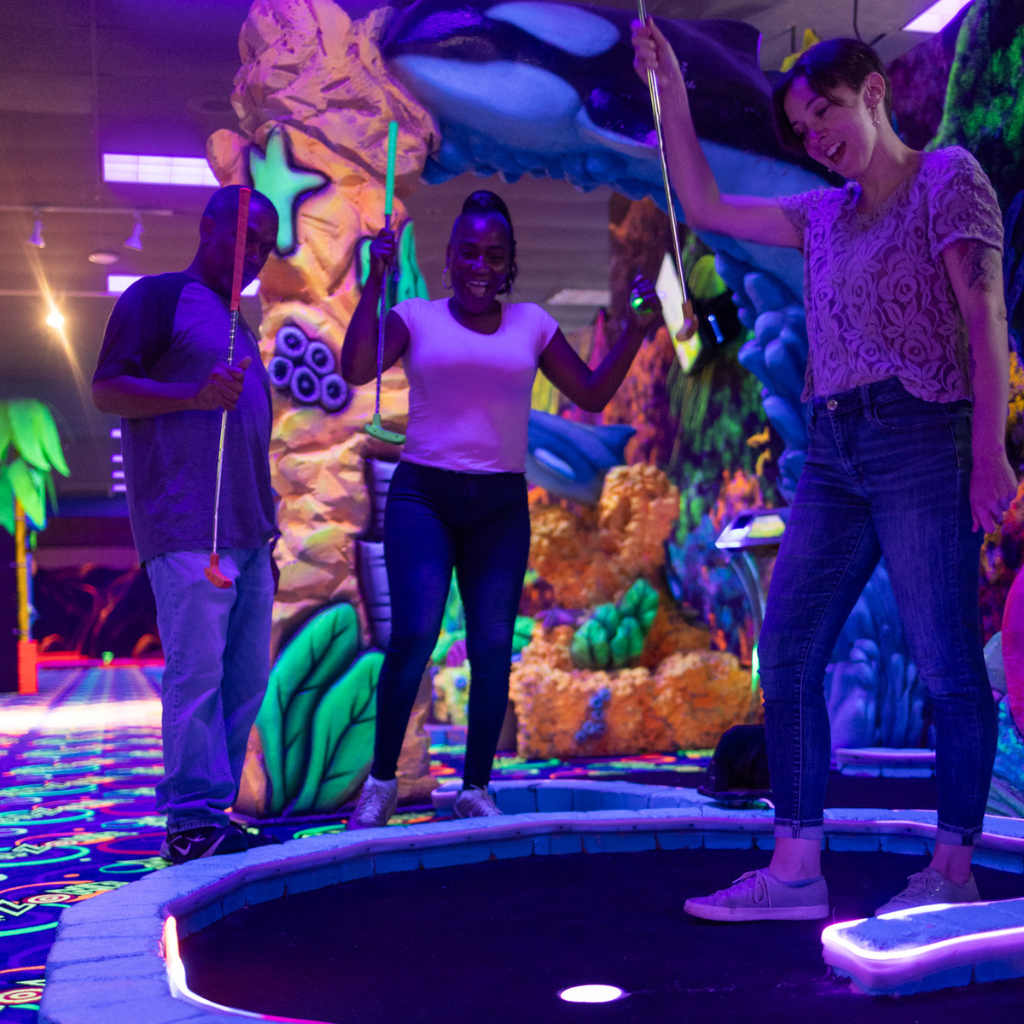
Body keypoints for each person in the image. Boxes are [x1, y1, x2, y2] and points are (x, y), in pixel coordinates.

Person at [633, 25, 1015, 920]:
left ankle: (952, 870)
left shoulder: (946, 177)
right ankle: (797, 867)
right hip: (833, 452)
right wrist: (673, 93)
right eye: (803, 131)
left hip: (925, 436)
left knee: (949, 667)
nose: (817, 138)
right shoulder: (820, 215)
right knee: (789, 649)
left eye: (827, 112)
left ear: (873, 92)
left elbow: (987, 312)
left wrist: (991, 450)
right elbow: (705, 205)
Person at [341, 190, 660, 826]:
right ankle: (379, 782)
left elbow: (593, 394)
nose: (480, 265)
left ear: (508, 261)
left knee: (491, 647)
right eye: (468, 253)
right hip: (424, 496)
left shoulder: (532, 325)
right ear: (451, 258)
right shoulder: (415, 317)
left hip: (498, 505)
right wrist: (374, 283)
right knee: (414, 637)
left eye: (493, 254)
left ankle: (476, 787)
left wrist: (637, 330)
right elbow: (354, 367)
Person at [92, 185, 281, 864]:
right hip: (186, 530)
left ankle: (212, 812)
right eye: (245, 238)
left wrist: (270, 531)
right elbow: (107, 388)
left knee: (245, 680)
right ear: (208, 228)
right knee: (196, 676)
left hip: (250, 533)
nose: (254, 254)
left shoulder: (243, 324)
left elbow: (249, 437)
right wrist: (191, 393)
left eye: (265, 244)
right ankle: (189, 818)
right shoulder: (156, 296)